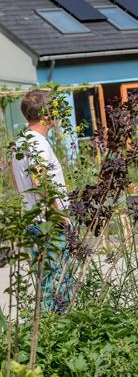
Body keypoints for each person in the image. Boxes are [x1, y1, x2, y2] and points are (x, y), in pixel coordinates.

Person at [10, 89, 71, 312]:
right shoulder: (39, 143)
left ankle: (47, 333)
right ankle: (57, 333)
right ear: (48, 114)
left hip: (33, 220)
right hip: (49, 223)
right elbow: (40, 180)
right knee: (58, 285)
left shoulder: (20, 142)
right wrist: (59, 214)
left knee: (47, 282)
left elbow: (15, 181)